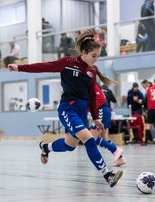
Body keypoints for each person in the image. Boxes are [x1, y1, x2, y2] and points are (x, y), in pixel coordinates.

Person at [8, 30, 123, 187]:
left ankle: (46, 147)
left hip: (82, 112)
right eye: (94, 56)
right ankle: (108, 175)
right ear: (84, 52)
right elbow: (44, 66)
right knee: (89, 140)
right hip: (68, 109)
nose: (96, 60)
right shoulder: (68, 63)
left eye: (98, 56)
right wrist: (19, 67)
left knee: (70, 146)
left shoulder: (91, 71)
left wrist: (95, 117)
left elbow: (91, 97)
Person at [90, 65, 125, 167]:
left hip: (101, 110)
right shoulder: (92, 84)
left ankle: (116, 149)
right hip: (104, 111)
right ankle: (120, 158)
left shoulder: (92, 85)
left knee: (91, 138)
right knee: (104, 139)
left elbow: (100, 100)